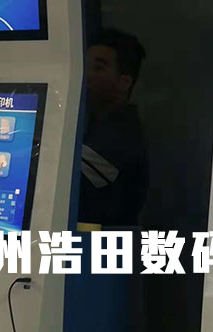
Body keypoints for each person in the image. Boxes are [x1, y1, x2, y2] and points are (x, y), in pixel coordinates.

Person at [78, 29, 148, 226]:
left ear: (124, 82)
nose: (86, 75)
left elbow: (61, 181)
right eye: (84, 66)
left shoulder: (120, 135)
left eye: (98, 68)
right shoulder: (96, 124)